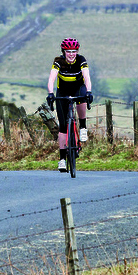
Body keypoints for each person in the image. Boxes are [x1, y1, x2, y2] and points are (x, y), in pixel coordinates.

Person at [46, 37, 93, 173]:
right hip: (63, 91)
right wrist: (50, 93)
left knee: (82, 99)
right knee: (62, 126)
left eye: (74, 51)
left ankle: (83, 127)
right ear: (63, 52)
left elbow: (87, 77)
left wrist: (89, 91)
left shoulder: (81, 60)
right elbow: (51, 79)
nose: (71, 54)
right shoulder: (58, 61)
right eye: (68, 51)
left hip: (78, 88)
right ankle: (62, 159)